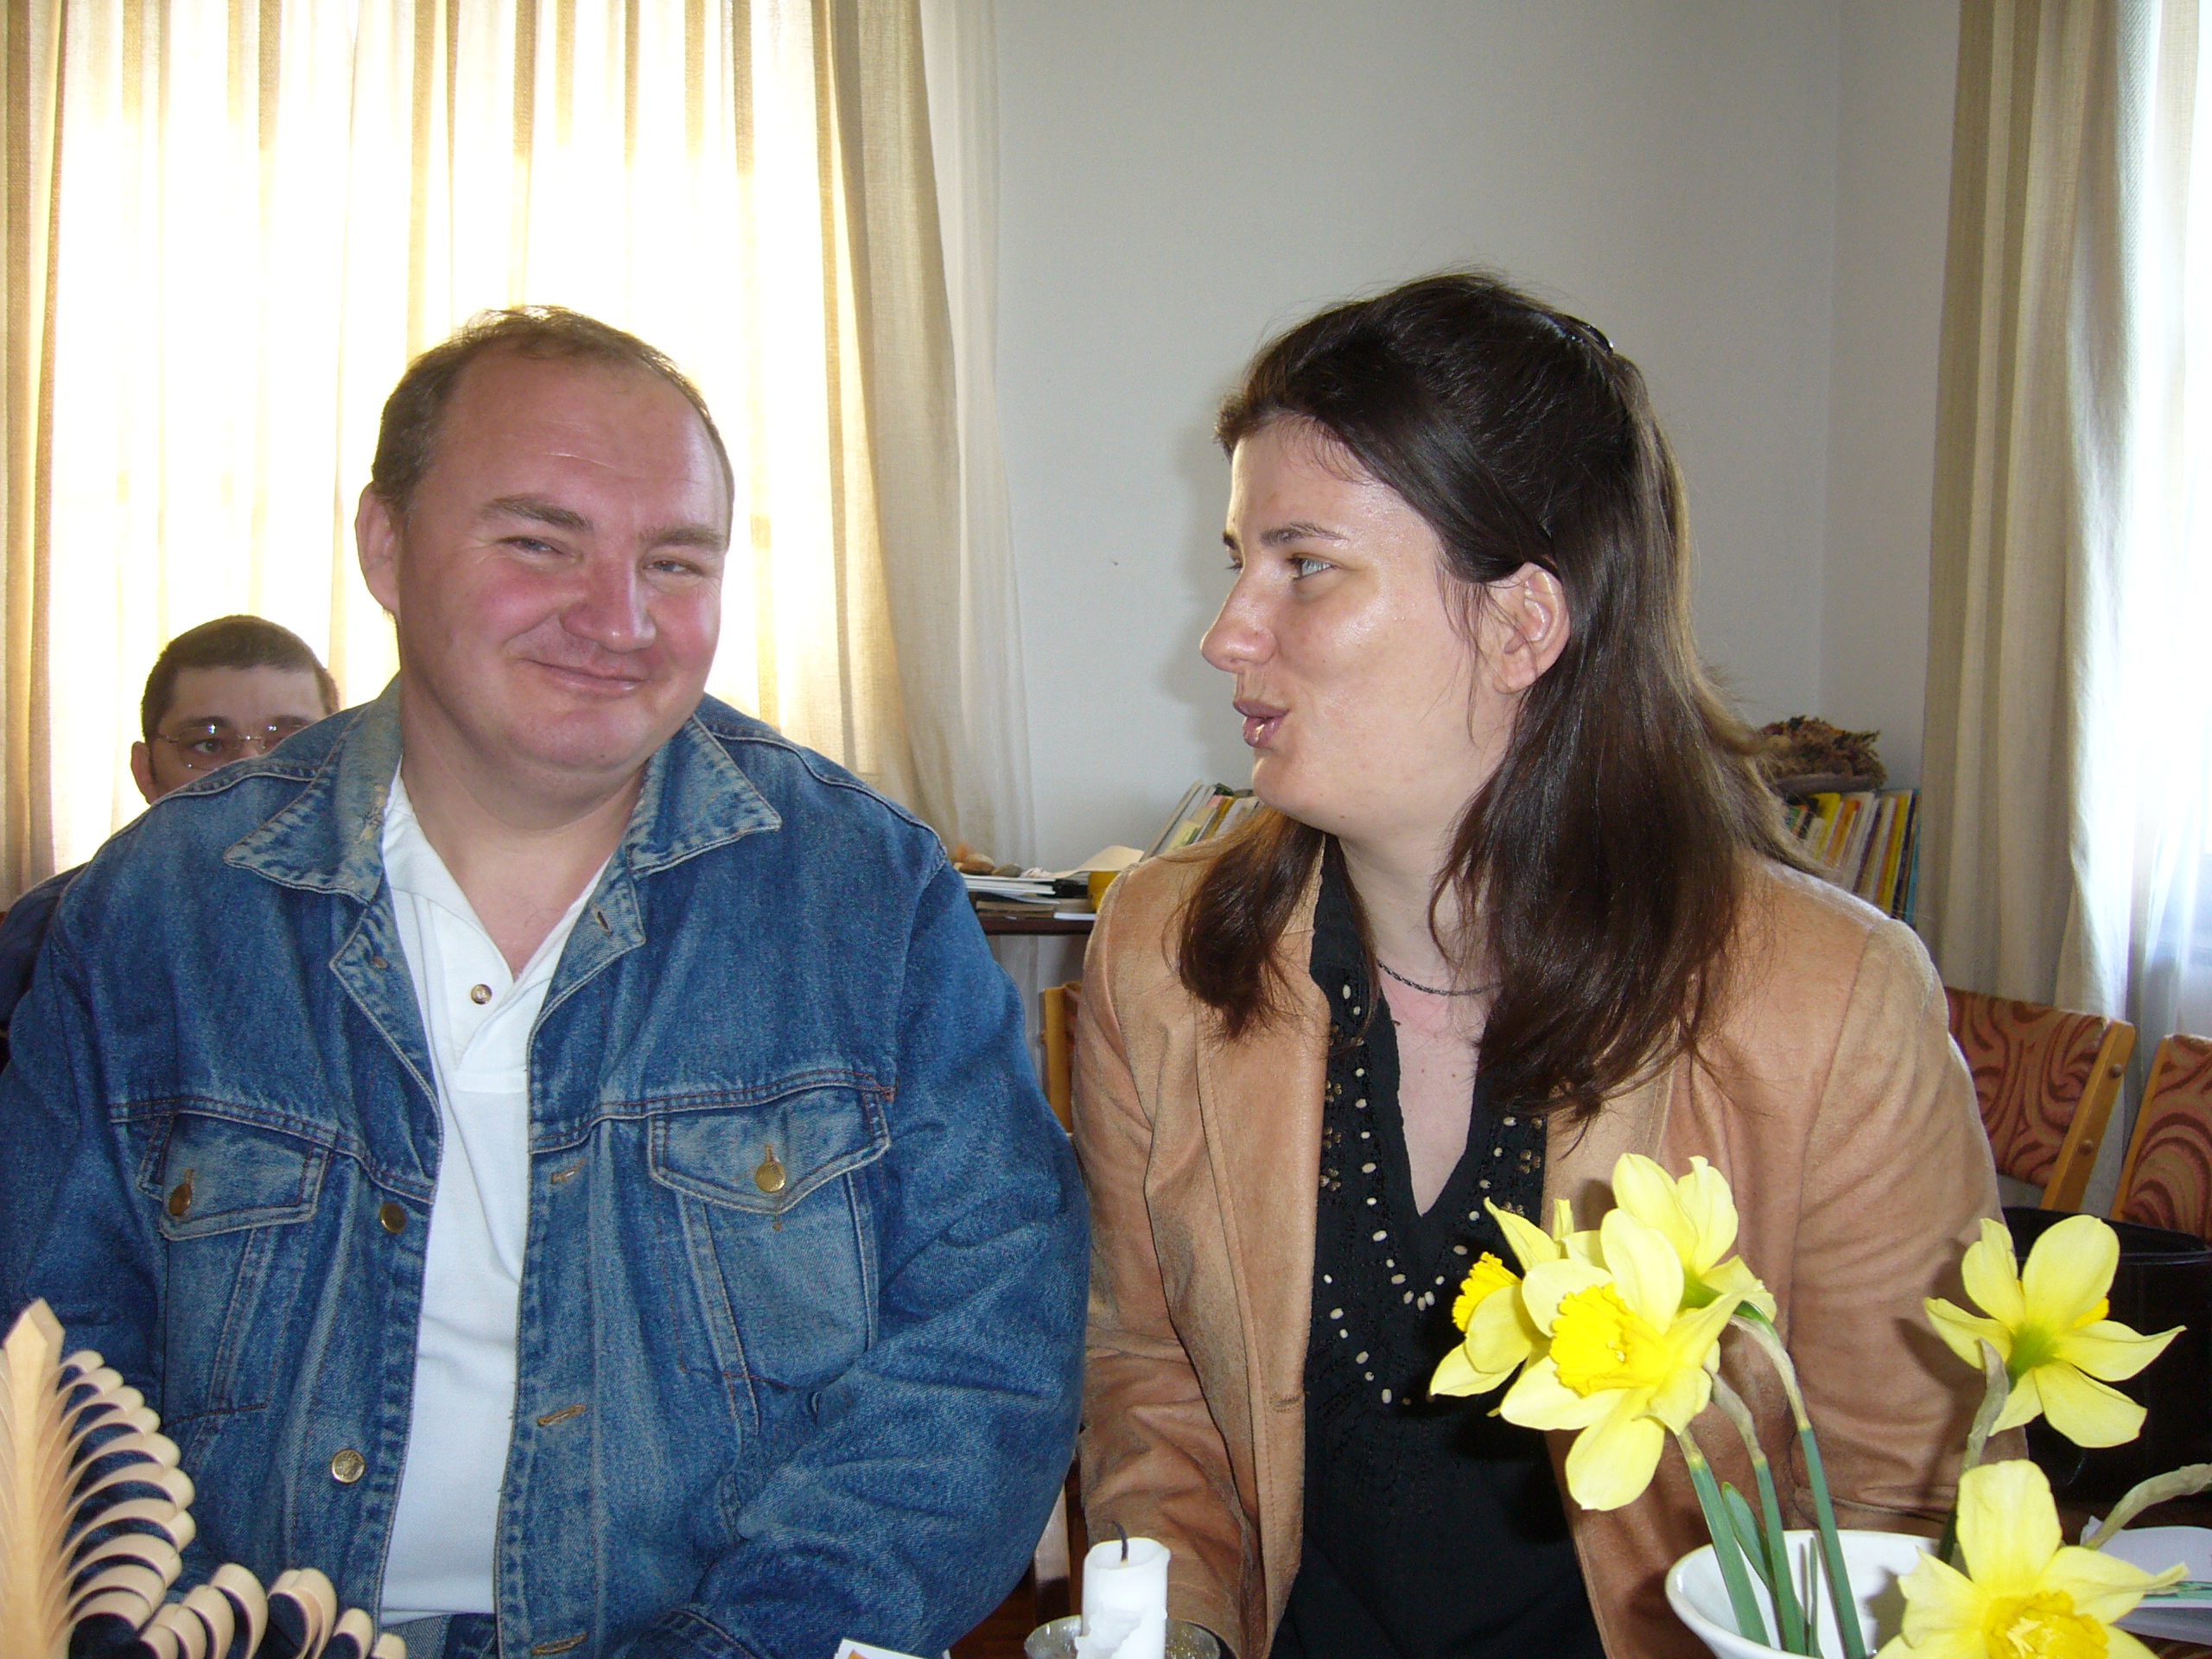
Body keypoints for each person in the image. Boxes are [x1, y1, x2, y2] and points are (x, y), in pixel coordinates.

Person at [1, 306, 1086, 1659]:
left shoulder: (868, 898)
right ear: (384, 545)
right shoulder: (158, 912)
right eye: (538, 543)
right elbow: (53, 1356)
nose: (618, 621)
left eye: (673, 561)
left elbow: (985, 1353)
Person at [1072, 274, 1997, 1659]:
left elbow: (1904, 1502)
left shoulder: (1831, 1006)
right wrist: (1181, 1635)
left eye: (1305, 565)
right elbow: (1153, 1384)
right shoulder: (1162, 957)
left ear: (1522, 626)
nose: (1226, 636)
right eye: (1237, 561)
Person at [0, 614, 339, 1067]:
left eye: (291, 744)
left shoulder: (400, 912)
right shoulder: (54, 925)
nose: (251, 774)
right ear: (147, 773)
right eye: (209, 745)